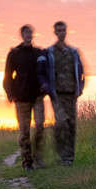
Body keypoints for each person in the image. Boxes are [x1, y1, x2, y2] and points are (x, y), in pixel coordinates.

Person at [38, 20, 84, 165]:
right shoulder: (49, 52)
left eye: (63, 30)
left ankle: (69, 157)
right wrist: (46, 86)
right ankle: (61, 154)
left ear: (66, 31)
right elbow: (42, 72)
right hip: (57, 94)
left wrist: (80, 87)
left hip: (71, 93)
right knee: (61, 122)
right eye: (59, 31)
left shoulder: (73, 52)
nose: (61, 33)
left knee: (71, 124)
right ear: (55, 33)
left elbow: (81, 71)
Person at [3, 24, 47, 171]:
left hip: (38, 96)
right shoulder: (14, 53)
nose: (28, 35)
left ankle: (38, 157)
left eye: (30, 32)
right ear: (22, 35)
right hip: (21, 98)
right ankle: (27, 162)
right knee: (24, 131)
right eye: (26, 33)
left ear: (32, 35)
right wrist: (10, 94)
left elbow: (46, 71)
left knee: (40, 125)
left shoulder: (39, 52)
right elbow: (8, 75)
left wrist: (46, 88)